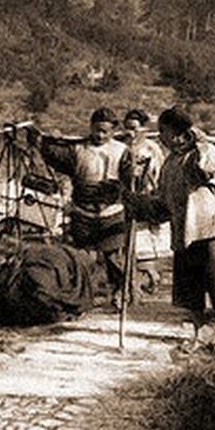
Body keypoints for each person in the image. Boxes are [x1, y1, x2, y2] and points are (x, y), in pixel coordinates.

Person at [125, 107, 215, 351]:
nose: (160, 136)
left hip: (208, 229)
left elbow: (204, 169)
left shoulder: (204, 152)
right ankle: (199, 333)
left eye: (164, 131)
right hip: (183, 231)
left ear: (177, 132)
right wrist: (137, 203)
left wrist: (199, 141)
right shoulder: (170, 162)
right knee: (190, 288)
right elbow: (162, 204)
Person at [28, 107, 129, 299]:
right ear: (91, 127)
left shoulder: (122, 151)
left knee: (113, 257)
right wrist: (39, 141)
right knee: (80, 257)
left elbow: (131, 180)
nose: (100, 135)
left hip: (111, 211)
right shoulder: (77, 149)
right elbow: (55, 154)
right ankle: (82, 295)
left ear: (113, 131)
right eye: (97, 130)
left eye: (105, 131)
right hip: (83, 211)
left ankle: (120, 292)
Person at [121, 108, 164, 297]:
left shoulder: (151, 149)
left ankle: (151, 276)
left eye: (134, 129)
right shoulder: (121, 147)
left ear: (143, 129)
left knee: (143, 241)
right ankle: (130, 285)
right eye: (127, 128)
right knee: (126, 243)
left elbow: (159, 175)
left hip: (145, 197)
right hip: (125, 198)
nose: (131, 133)